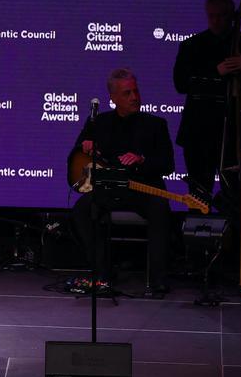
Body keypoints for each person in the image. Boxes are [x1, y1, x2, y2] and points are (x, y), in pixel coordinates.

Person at [69, 68, 173, 294]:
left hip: (144, 190)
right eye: (127, 93)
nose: (134, 97)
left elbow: (167, 165)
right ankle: (103, 273)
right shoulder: (98, 122)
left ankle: (157, 280)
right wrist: (86, 148)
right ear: (113, 98)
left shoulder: (156, 124)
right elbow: (78, 156)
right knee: (82, 209)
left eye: (136, 91)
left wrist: (142, 159)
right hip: (110, 190)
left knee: (161, 209)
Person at [174, 0, 241, 201]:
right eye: (211, 16)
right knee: (198, 194)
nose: (216, 21)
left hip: (237, 133)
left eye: (221, 15)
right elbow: (181, 84)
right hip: (200, 132)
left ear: (232, 16)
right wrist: (216, 72)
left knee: (239, 195)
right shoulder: (192, 46)